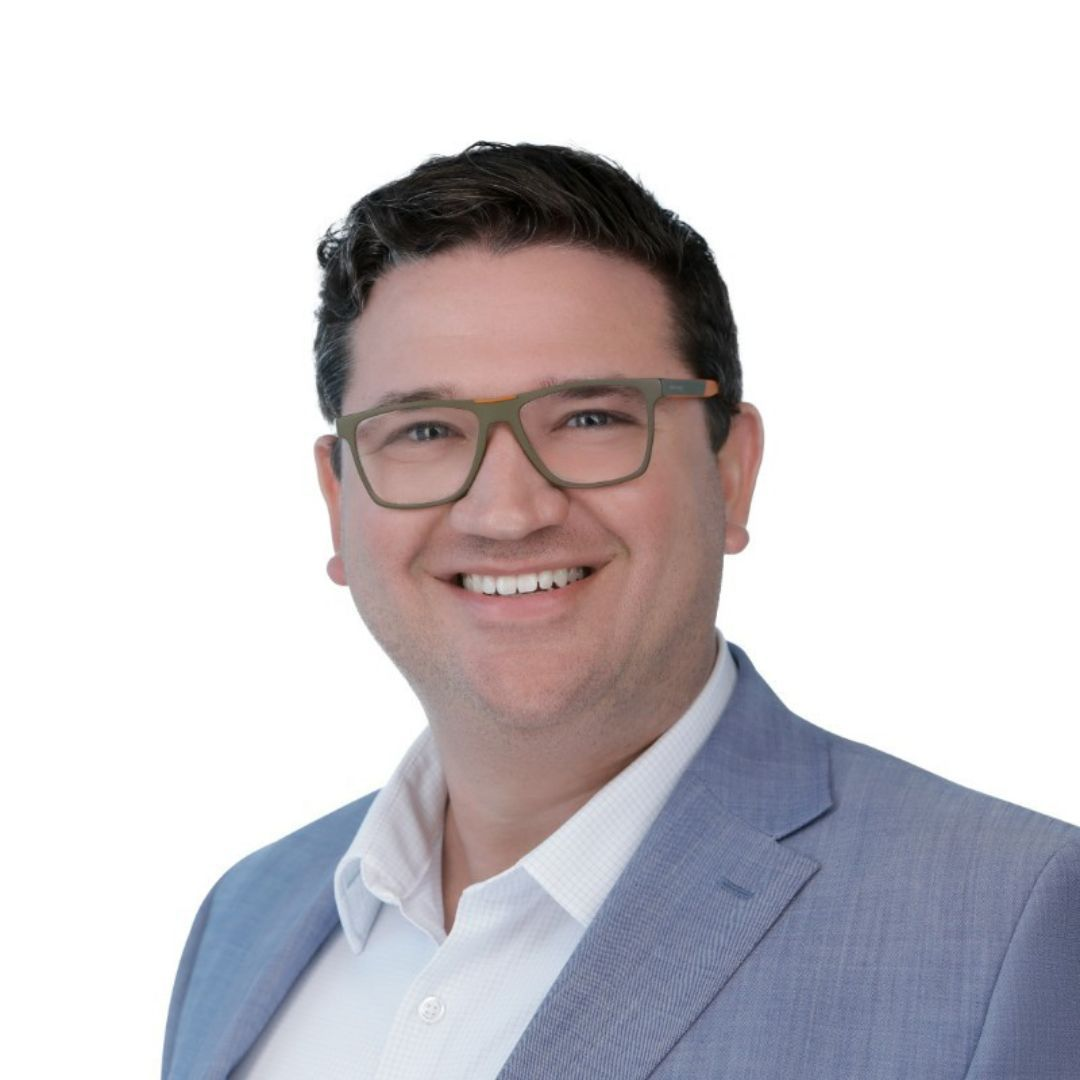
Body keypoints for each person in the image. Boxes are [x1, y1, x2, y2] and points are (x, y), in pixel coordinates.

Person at [163, 143, 1080, 1080]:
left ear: (732, 471)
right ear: (338, 502)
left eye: (590, 419)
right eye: (426, 431)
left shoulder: (1012, 920)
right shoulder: (244, 920)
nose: (508, 512)